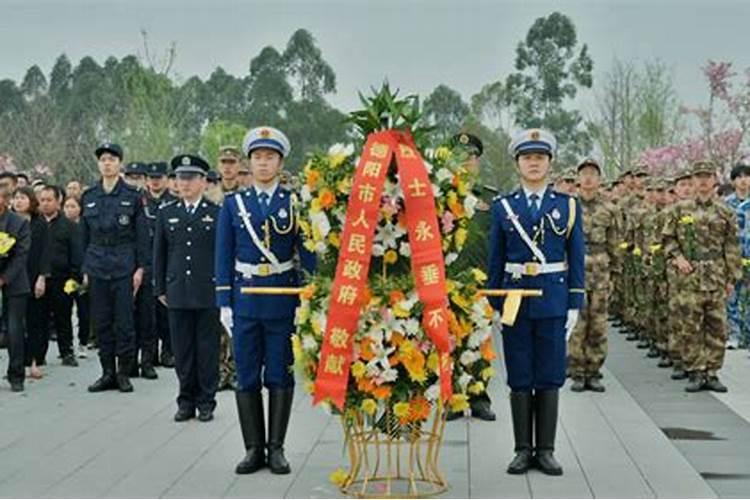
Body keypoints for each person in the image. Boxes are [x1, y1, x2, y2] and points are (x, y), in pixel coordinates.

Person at [215, 126, 315, 475]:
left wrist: (311, 295)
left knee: (279, 372)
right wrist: (224, 302)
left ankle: (277, 449)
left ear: (279, 162)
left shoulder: (293, 203)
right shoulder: (233, 204)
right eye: (257, 158)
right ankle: (253, 448)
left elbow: (308, 254)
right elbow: (223, 252)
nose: (262, 164)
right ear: (249, 163)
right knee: (246, 375)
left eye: (269, 158)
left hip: (282, 298)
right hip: (244, 298)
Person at [487, 129, 584, 476]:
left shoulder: (568, 206)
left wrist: (575, 303)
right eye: (527, 158)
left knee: (549, 374)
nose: (533, 163)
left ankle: (545, 450)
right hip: (513, 298)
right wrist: (493, 303)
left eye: (540, 158)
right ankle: (521, 449)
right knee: (519, 373)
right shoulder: (504, 207)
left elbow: (577, 256)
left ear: (549, 163)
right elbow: (495, 259)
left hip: (553, 298)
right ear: (518, 164)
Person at [662, 160, 742, 392]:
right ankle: (696, 370)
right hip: (690, 275)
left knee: (717, 326)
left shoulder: (725, 211)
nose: (703, 180)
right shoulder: (679, 210)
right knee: (691, 326)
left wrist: (731, 278)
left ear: (714, 180)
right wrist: (678, 258)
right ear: (693, 181)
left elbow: (732, 246)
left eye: (707, 176)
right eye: (699, 176)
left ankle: (712, 371)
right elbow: (667, 238)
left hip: (716, 275)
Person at [154, 154, 221, 422]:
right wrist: (159, 287)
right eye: (181, 178)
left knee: (207, 349)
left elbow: (221, 254)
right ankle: (185, 401)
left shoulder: (215, 213)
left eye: (191, 178)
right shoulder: (166, 213)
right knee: (182, 350)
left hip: (207, 290)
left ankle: (206, 401)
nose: (185, 183)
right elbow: (159, 253)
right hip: (177, 291)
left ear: (204, 181)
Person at [81, 142, 149, 393]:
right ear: (98, 165)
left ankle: (123, 372)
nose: (107, 163)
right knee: (101, 322)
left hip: (123, 265)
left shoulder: (132, 196)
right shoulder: (89, 196)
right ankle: (107, 371)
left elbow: (141, 236)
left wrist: (141, 268)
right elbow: (83, 238)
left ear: (120, 163)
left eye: (112, 159)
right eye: (103, 160)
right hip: (97, 265)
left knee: (124, 322)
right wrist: (84, 269)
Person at [445, 132, 497, 422]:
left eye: (471, 157)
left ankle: (479, 398)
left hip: (480, 281)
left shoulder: (490, 198)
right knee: (449, 340)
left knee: (480, 339)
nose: (466, 162)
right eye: (460, 157)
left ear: (478, 161)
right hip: (447, 280)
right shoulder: (440, 196)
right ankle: (452, 398)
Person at [568, 158, 617, 392]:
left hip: (600, 271)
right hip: (574, 271)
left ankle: (594, 371)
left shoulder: (610, 210)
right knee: (577, 323)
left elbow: (615, 245)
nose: (588, 178)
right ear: (578, 179)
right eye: (584, 173)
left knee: (598, 324)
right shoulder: (568, 207)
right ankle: (577, 371)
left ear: (599, 180)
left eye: (592, 174)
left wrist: (614, 275)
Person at [13, 187, 56, 376]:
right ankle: (16, 364)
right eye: (16, 198)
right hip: (13, 276)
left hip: (33, 275)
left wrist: (42, 277)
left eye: (23, 197)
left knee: (35, 321)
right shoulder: (8, 221)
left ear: (31, 201)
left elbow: (46, 253)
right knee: (14, 323)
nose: (19, 201)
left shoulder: (40, 225)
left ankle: (33, 361)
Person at [0, 187, 31, 391]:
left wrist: (4, 278)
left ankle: (16, 374)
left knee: (14, 329)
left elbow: (22, 255)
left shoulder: (19, 223)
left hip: (14, 282)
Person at [724, 163, 750, 349]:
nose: (744, 180)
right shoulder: (725, 204)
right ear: (733, 181)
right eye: (739, 177)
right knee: (732, 297)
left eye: (747, 176)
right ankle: (734, 334)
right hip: (733, 258)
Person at [63, 195, 91, 355]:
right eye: (66, 206)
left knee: (84, 310)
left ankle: (83, 342)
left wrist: (87, 271)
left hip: (83, 272)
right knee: (65, 310)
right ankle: (67, 345)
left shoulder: (85, 226)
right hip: (66, 273)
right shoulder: (62, 225)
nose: (69, 210)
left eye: (73, 206)